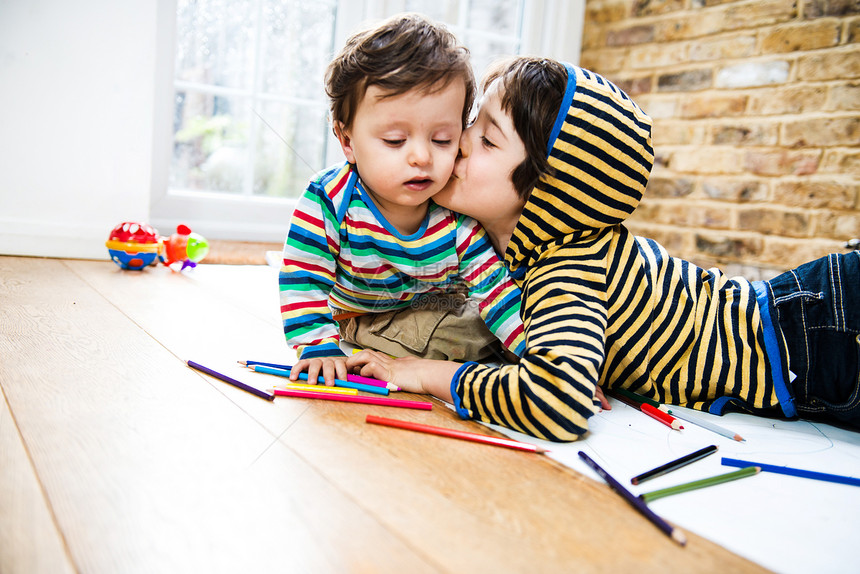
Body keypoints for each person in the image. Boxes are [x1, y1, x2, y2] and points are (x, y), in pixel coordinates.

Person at [347, 56, 860, 441]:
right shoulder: (496, 243)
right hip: (809, 317)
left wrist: (427, 373)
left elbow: (557, 403)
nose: (457, 141)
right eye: (471, 123)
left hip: (819, 337)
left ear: (549, 189)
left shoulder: (569, 266)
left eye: (487, 139)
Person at [279, 14, 525, 386]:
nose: (422, 157)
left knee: (485, 315)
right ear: (347, 141)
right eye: (395, 141)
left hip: (434, 305)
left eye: (442, 140)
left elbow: (493, 287)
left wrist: (541, 362)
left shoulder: (455, 212)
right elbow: (303, 277)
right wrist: (316, 345)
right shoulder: (329, 199)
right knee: (460, 336)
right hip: (363, 316)